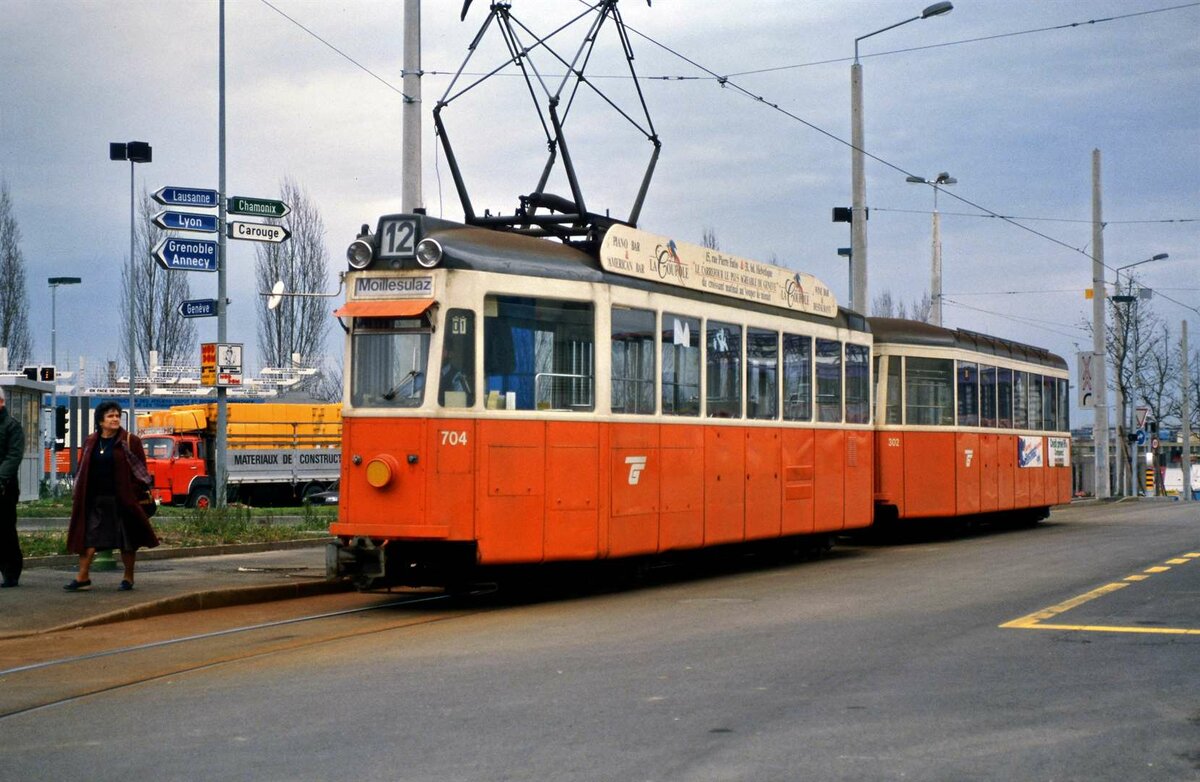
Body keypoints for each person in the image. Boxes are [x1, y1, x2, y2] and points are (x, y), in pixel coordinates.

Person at [64, 401, 159, 591]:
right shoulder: (91, 441)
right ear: (100, 420)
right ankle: (83, 577)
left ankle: (128, 577)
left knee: (127, 541)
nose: (115, 419)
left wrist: (132, 491)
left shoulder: (130, 440)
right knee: (89, 538)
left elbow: (141, 471)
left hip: (123, 500)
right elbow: (83, 467)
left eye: (117, 415)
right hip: (96, 500)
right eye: (110, 416)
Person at [0, 387, 25, 588]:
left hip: (4, 488)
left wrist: (1, 478)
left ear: (1, 403)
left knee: (5, 530)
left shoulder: (12, 426)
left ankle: (11, 572)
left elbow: (14, 455)